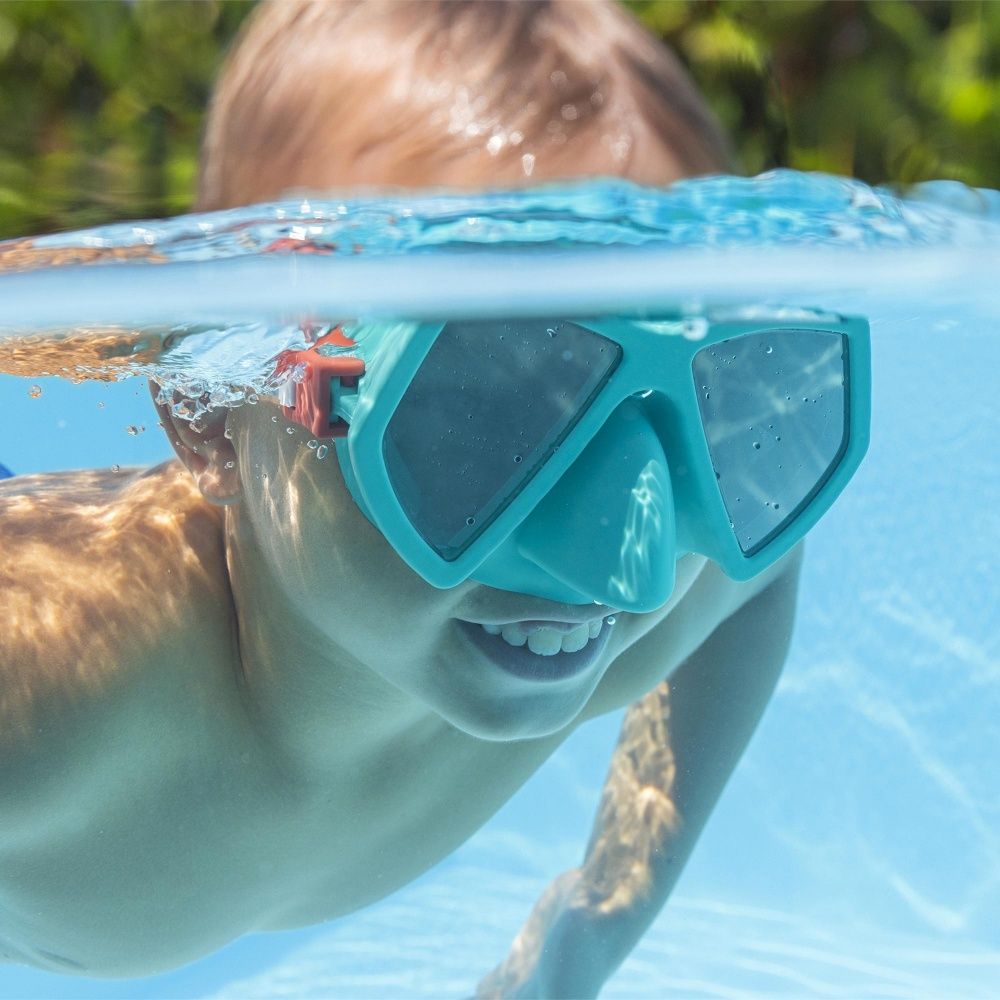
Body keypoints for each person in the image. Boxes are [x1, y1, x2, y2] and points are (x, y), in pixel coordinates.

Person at [0, 2, 818, 995]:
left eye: (697, 413)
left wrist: (596, 921)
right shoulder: (51, 691)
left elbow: (762, 563)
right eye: (484, 413)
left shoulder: (608, 607)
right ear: (213, 413)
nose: (626, 554)